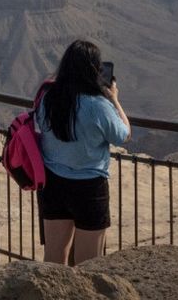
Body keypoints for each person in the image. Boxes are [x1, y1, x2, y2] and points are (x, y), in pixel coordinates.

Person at [36, 40, 131, 265]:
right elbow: (123, 134)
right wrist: (114, 100)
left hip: (52, 183)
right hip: (89, 188)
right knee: (89, 264)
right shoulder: (98, 105)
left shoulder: (48, 98)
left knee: (53, 260)